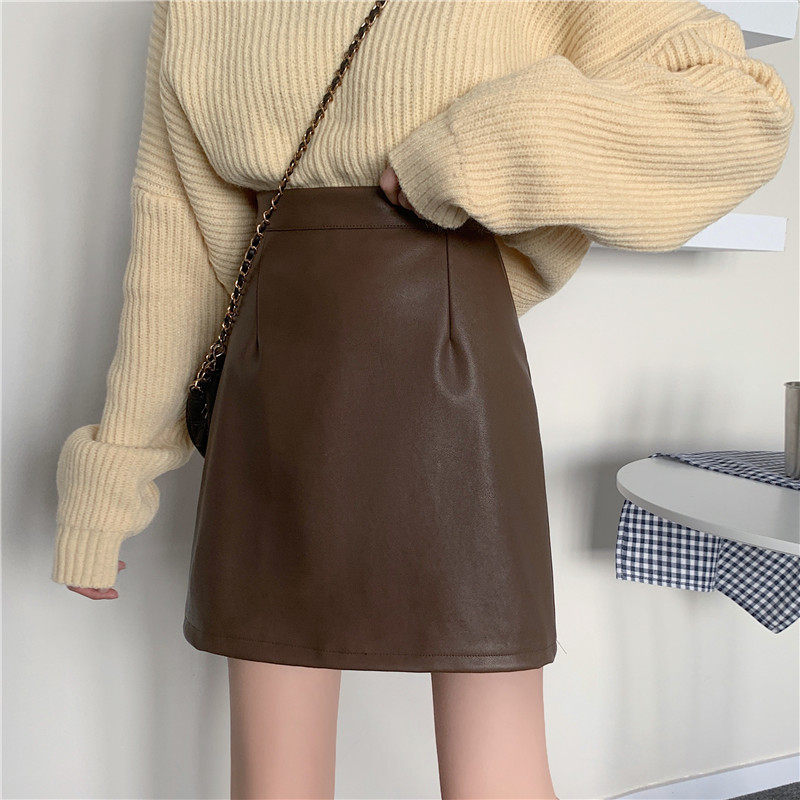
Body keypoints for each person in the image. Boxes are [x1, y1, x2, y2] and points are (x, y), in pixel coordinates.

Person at [52, 1, 793, 797]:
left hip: (452, 377)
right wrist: (114, 474)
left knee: (495, 777)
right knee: (273, 781)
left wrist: (480, 149)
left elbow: (742, 108)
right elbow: (179, 242)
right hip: (272, 393)